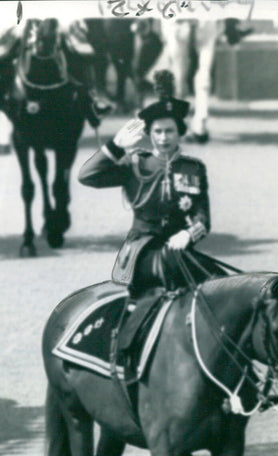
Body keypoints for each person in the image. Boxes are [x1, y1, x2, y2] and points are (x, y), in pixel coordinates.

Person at [78, 70, 226, 364]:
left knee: (221, 288)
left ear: (179, 132)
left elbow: (203, 217)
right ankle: (126, 353)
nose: (163, 138)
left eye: (169, 131)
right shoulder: (136, 163)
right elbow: (87, 176)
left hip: (180, 250)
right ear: (150, 134)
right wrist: (113, 147)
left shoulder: (193, 169)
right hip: (142, 251)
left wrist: (190, 233)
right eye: (157, 131)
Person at [0, 19, 113, 130]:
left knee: (77, 54)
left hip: (58, 20)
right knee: (4, 57)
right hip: (26, 21)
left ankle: (91, 103)